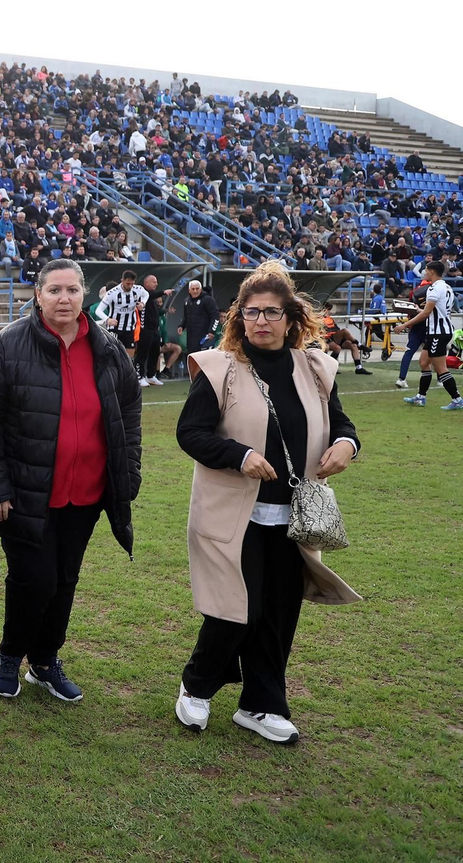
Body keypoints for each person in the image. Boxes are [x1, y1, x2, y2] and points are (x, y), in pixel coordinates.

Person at [174, 262, 361, 743]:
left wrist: (347, 445)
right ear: (238, 317)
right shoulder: (220, 369)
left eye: (271, 312)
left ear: (290, 317)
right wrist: (241, 456)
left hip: (292, 515)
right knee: (238, 608)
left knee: (279, 613)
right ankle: (196, 687)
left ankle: (261, 704)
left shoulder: (316, 368)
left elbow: (340, 424)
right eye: (251, 312)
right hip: (232, 514)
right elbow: (190, 433)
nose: (261, 321)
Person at [0, 259, 142, 704]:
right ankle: (10, 656)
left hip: (86, 493)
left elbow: (130, 409)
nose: (64, 299)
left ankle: (45, 660)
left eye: (73, 290)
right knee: (34, 579)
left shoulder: (107, 346)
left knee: (65, 579)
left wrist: (128, 470)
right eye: (55, 290)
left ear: (86, 295)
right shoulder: (8, 345)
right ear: (38, 295)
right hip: (26, 493)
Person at [397, 259, 460, 409]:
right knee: (424, 362)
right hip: (440, 331)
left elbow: (426, 314)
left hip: (438, 332)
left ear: (432, 271)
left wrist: (404, 325)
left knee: (441, 368)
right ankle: (421, 396)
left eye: (426, 270)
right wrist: (416, 309)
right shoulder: (447, 287)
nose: (424, 272)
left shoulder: (433, 288)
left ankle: (457, 399)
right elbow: (433, 311)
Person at [102, 269, 149, 373]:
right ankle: (113, 375)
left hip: (129, 327)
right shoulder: (112, 293)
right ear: (122, 280)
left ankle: (127, 376)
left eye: (132, 283)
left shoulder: (137, 289)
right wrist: (107, 319)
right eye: (128, 283)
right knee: (113, 353)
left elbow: (146, 294)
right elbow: (98, 310)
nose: (130, 286)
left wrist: (143, 303)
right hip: (114, 329)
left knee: (129, 356)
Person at [319, 311, 372, 377]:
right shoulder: (318, 319)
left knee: (353, 345)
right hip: (328, 338)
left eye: (328, 310)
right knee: (344, 332)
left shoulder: (330, 318)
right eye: (326, 310)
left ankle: (359, 368)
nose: (328, 312)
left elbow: (336, 329)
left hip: (336, 336)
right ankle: (359, 345)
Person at [176, 278, 219, 353]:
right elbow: (185, 316)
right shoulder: (187, 301)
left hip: (204, 335)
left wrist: (212, 331)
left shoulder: (208, 300)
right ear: (189, 290)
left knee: (203, 356)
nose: (195, 291)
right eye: (193, 289)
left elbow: (215, 316)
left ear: (201, 289)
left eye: (197, 289)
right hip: (191, 335)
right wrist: (181, 326)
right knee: (191, 354)